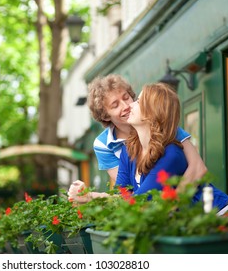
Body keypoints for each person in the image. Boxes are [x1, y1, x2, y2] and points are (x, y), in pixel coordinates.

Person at [68, 74, 206, 201]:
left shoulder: (163, 128)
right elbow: (127, 192)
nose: (126, 106)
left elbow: (198, 168)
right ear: (105, 115)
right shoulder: (106, 146)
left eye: (126, 97)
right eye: (115, 105)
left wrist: (175, 204)